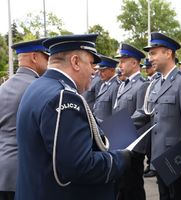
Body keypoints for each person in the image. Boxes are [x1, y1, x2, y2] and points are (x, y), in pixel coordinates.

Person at [15, 34, 132, 200]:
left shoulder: (38, 85)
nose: (94, 71)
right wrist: (120, 158)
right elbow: (79, 166)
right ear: (75, 62)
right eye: (92, 63)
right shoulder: (64, 97)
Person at [132, 32, 181, 200]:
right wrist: (111, 129)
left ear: (168, 53)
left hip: (177, 161)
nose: (150, 58)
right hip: (160, 159)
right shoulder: (156, 83)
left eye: (154, 53)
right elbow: (145, 113)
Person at [0, 38, 49, 200]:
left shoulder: (3, 87)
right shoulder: (38, 87)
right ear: (35, 57)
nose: (49, 62)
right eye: (46, 57)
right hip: (25, 174)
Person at [113, 43, 149, 200]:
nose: (120, 65)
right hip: (120, 143)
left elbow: (141, 114)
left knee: (133, 188)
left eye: (123, 61)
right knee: (122, 187)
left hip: (133, 147)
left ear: (134, 63)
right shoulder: (123, 85)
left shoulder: (142, 85)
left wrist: (116, 130)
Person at [93, 55, 121, 122]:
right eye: (99, 71)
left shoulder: (116, 86)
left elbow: (115, 112)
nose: (99, 74)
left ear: (112, 70)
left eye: (102, 71)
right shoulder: (103, 85)